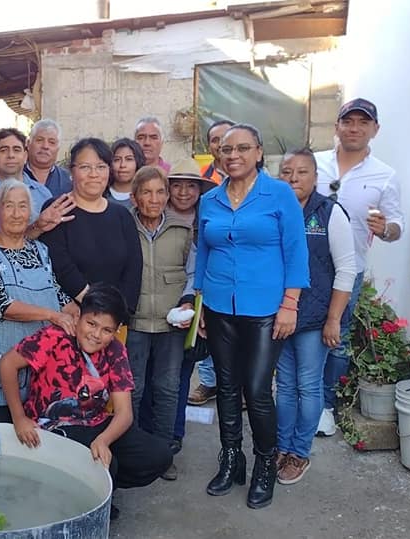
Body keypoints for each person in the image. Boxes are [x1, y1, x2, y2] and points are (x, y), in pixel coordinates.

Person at [195, 123, 309, 509]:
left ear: (259, 152)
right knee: (226, 386)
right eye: (227, 149)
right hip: (218, 304)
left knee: (257, 390)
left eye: (243, 148)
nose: (234, 156)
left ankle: (264, 462)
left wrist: (290, 304)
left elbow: (296, 252)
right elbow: (204, 254)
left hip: (264, 308)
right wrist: (201, 308)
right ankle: (231, 458)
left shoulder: (279, 194)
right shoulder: (210, 199)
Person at [0, 284, 174, 519]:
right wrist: (19, 418)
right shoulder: (54, 336)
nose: (96, 334)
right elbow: (7, 364)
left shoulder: (116, 350)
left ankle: (97, 495)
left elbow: (124, 413)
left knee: (158, 455)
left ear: (116, 331)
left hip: (94, 423)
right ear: (78, 316)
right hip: (53, 427)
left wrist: (104, 439)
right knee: (104, 467)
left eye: (106, 330)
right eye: (91, 324)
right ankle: (82, 500)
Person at [314, 98, 405, 437]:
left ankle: (325, 406)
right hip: (304, 267)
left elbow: (397, 224)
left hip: (346, 272)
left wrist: (387, 230)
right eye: (348, 121)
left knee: (335, 339)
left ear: (374, 130)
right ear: (336, 126)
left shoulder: (384, 175)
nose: (354, 128)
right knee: (294, 334)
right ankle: (298, 402)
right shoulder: (314, 163)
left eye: (362, 123)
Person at [0, 179, 80, 422]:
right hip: (2, 359)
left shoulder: (40, 250)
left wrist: (77, 314)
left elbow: (55, 292)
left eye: (23, 206)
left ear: (31, 212)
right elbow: (1, 305)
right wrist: (52, 315)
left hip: (41, 364)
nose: (17, 214)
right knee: (0, 432)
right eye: (9, 206)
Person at [276, 148, 356, 484]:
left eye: (302, 172)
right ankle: (280, 449)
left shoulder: (329, 213)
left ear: (315, 177)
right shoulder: (274, 210)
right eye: (287, 171)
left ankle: (299, 453)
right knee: (284, 386)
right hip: (279, 315)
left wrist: (334, 319)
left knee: (308, 386)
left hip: (315, 317)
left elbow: (346, 269)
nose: (294, 178)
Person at [126, 164, 201, 457]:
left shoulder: (181, 230)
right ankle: (130, 450)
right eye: (146, 192)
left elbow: (193, 273)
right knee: (132, 389)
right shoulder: (123, 227)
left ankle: (162, 452)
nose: (154, 199)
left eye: (160, 192)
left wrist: (186, 301)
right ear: (135, 197)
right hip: (134, 322)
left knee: (168, 388)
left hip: (171, 324)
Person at [39, 138, 143, 314]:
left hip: (114, 320)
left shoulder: (122, 215)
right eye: (85, 167)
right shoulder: (57, 208)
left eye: (101, 167)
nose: (94, 174)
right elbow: (61, 266)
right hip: (70, 316)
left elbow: (134, 269)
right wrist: (96, 310)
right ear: (71, 171)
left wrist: (118, 312)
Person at [188, 120, 234, 406]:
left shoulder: (253, 178)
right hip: (205, 249)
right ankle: (208, 382)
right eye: (215, 140)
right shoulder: (202, 176)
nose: (219, 145)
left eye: (224, 139)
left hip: (234, 261)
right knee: (206, 323)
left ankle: (234, 384)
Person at [0, 128, 52, 219]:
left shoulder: (42, 194)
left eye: (16, 150)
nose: (11, 155)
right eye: (3, 150)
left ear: (25, 156)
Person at [24, 119, 73, 197]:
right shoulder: (15, 177)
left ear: (58, 148)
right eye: (39, 140)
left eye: (51, 142)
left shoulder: (68, 181)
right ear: (28, 144)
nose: (45, 146)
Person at [106, 138, 144, 208]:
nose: (123, 165)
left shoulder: (144, 196)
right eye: (117, 159)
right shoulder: (101, 195)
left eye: (129, 159)